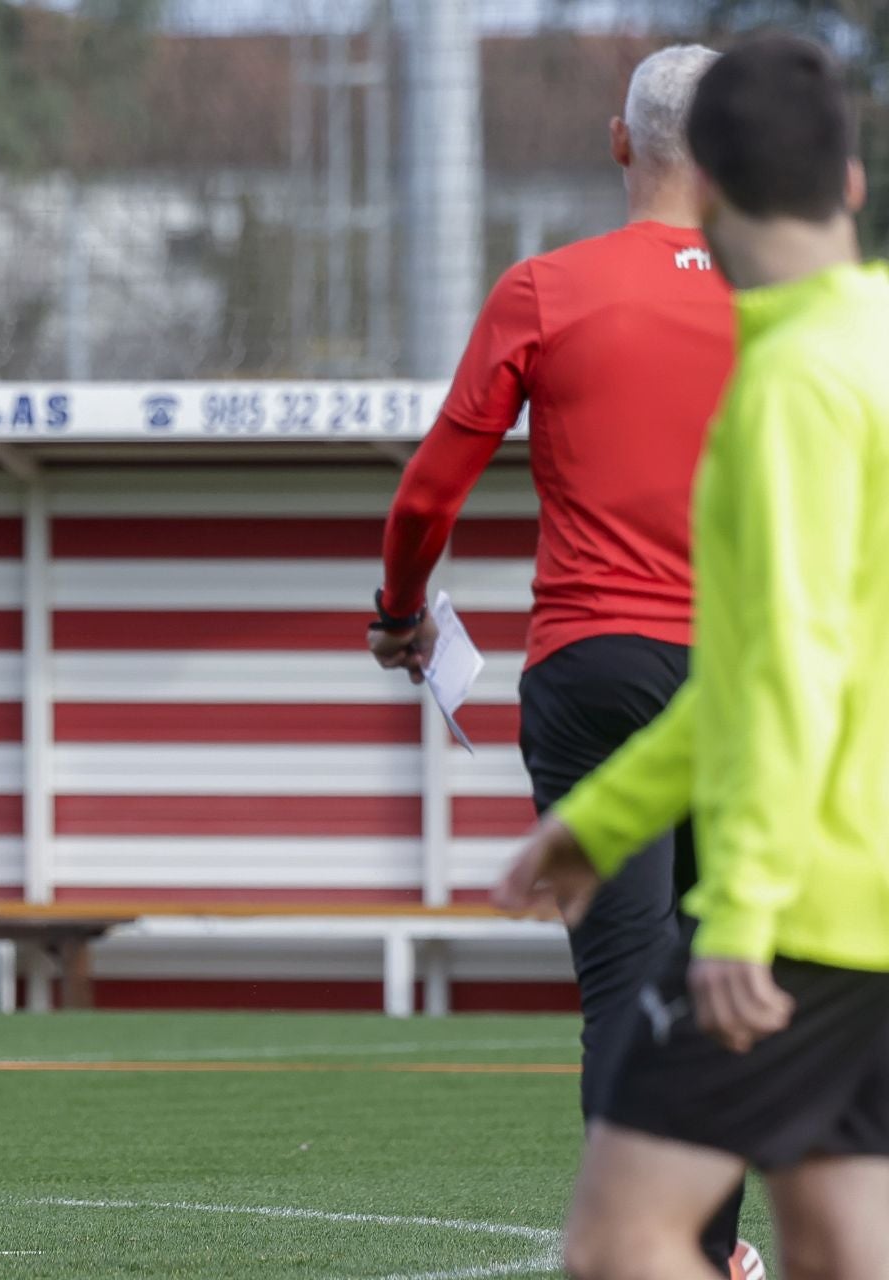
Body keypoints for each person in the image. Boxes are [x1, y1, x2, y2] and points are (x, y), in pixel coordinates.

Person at [496, 31, 889, 1280]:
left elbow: (780, 670)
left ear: (696, 184)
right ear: (853, 183)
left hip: (806, 906)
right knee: (837, 1237)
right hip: (871, 889)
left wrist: (744, 914)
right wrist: (604, 821)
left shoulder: (785, 382)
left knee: (621, 1242)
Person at [367, 45, 754, 1274]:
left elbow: (430, 490)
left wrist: (402, 612)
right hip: (752, 684)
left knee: (626, 984)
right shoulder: (794, 303)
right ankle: (716, 1253)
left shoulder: (549, 286)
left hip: (594, 668)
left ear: (617, 141)